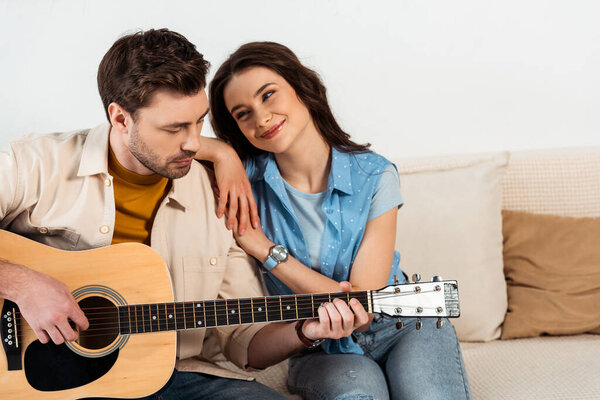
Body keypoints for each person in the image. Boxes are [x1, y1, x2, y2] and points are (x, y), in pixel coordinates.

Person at [0, 30, 369, 400]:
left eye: (199, 122)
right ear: (121, 118)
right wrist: (21, 283)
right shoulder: (35, 165)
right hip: (49, 380)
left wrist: (307, 330)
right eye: (174, 128)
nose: (194, 143)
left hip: (177, 378)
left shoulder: (219, 197)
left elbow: (244, 340)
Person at [209, 41, 472, 400]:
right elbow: (169, 141)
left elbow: (360, 305)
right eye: (243, 113)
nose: (261, 118)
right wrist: (221, 152)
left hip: (402, 324)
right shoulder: (242, 187)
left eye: (268, 95)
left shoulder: (375, 175)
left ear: (303, 87)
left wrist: (266, 250)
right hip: (317, 346)